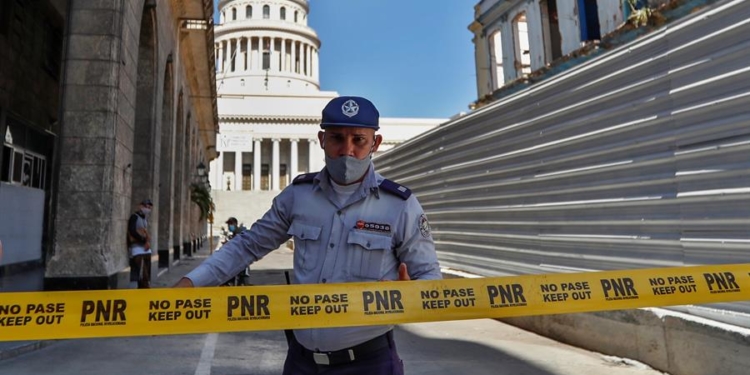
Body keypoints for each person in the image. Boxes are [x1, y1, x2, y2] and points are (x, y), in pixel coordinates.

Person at [174, 96, 441, 375]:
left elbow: (430, 278)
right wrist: (192, 282)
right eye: (337, 138)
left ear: (375, 143)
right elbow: (247, 246)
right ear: (322, 139)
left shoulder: (399, 205)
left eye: (358, 140)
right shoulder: (298, 197)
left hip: (367, 363)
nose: (346, 151)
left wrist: (409, 295)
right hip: (302, 363)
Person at [128, 198, 153, 289]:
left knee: (146, 273)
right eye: (146, 206)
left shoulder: (145, 219)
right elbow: (132, 231)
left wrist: (147, 241)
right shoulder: (134, 217)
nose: (148, 208)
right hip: (137, 249)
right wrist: (144, 240)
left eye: (150, 207)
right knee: (141, 273)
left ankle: (144, 288)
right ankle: (143, 290)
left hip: (146, 250)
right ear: (141, 206)